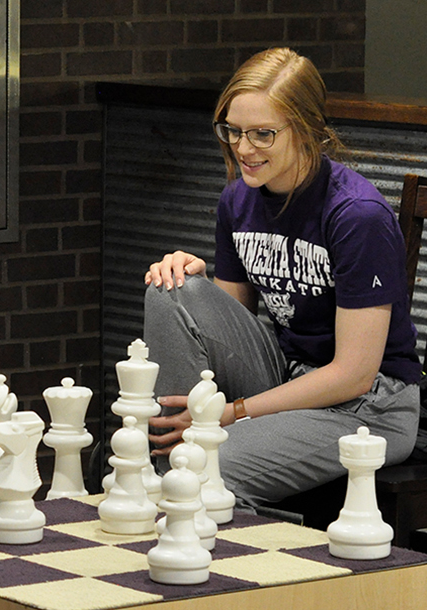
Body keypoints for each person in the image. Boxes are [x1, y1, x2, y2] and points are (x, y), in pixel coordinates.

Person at [142, 48, 420, 511]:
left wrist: (230, 415)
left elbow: (353, 374)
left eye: (263, 134)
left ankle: (213, 522)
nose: (244, 148)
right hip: (285, 375)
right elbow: (228, 335)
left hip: (369, 406)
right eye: (233, 131)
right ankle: (167, 455)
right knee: (171, 288)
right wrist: (193, 280)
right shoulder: (238, 201)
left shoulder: (357, 216)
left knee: (210, 469)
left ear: (309, 129)